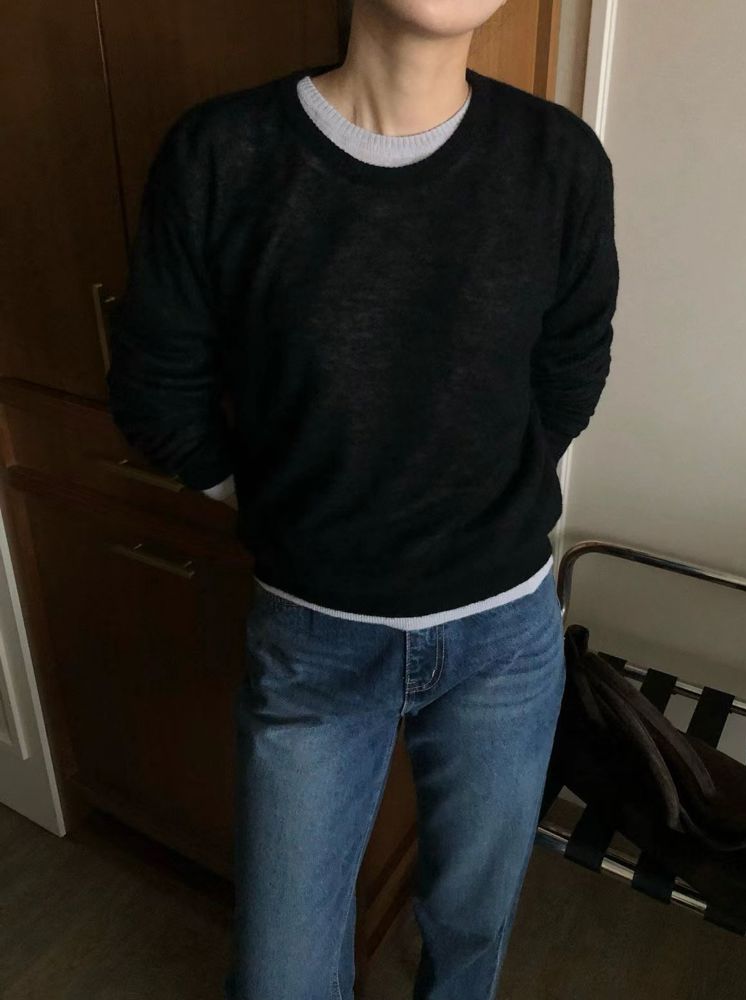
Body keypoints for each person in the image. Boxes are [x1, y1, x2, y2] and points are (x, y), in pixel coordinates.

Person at [105, 1, 619, 996]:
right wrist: (283, 502)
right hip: (313, 643)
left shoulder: (558, 161)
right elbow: (157, 387)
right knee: (281, 974)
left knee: (471, 930)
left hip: (504, 639)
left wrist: (484, 489)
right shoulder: (222, 154)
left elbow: (571, 368)